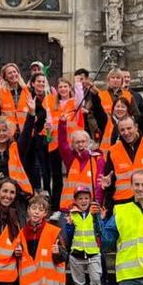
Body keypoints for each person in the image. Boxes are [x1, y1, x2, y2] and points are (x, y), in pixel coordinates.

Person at [17, 194, 68, 285]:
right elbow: (19, 261)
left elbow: (64, 256)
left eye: (41, 210)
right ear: (28, 210)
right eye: (34, 208)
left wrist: (58, 252)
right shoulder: (22, 233)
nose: (36, 212)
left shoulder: (53, 231)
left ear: (45, 213)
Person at [101, 116, 143, 210]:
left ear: (136, 127)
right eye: (122, 130)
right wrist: (107, 186)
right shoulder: (113, 151)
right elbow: (109, 182)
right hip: (123, 203)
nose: (126, 133)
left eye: (129, 128)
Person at [63, 186, 105, 285]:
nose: (83, 201)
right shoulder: (72, 214)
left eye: (86, 198)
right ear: (75, 200)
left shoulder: (94, 213)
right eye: (80, 198)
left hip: (93, 253)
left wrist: (98, 217)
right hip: (76, 254)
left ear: (90, 199)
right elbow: (68, 236)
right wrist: (69, 225)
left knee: (96, 280)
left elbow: (101, 230)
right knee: (79, 281)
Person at [43, 78, 82, 213]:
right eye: (61, 87)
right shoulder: (52, 105)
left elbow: (80, 96)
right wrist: (47, 127)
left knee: (74, 174)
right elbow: (48, 122)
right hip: (55, 143)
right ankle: (55, 208)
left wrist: (77, 83)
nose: (63, 89)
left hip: (71, 145)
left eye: (65, 86)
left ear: (69, 88)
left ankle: (75, 203)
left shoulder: (74, 102)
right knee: (57, 177)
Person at [0, 113, 36, 203]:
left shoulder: (16, 149)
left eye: (4, 130)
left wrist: (31, 114)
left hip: (16, 198)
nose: (1, 133)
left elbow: (26, 133)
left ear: (10, 132)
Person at [58, 124, 105, 214]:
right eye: (77, 142)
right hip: (69, 207)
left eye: (83, 141)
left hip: (89, 208)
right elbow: (62, 144)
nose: (80, 144)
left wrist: (97, 204)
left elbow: (99, 185)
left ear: (88, 142)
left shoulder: (97, 159)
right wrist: (62, 123)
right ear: (73, 145)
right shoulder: (71, 158)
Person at [0, 62, 31, 131]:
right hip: (8, 130)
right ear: (5, 77)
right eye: (10, 73)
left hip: (26, 130)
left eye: (14, 72)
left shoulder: (27, 90)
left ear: (18, 73)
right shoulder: (1, 91)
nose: (13, 74)